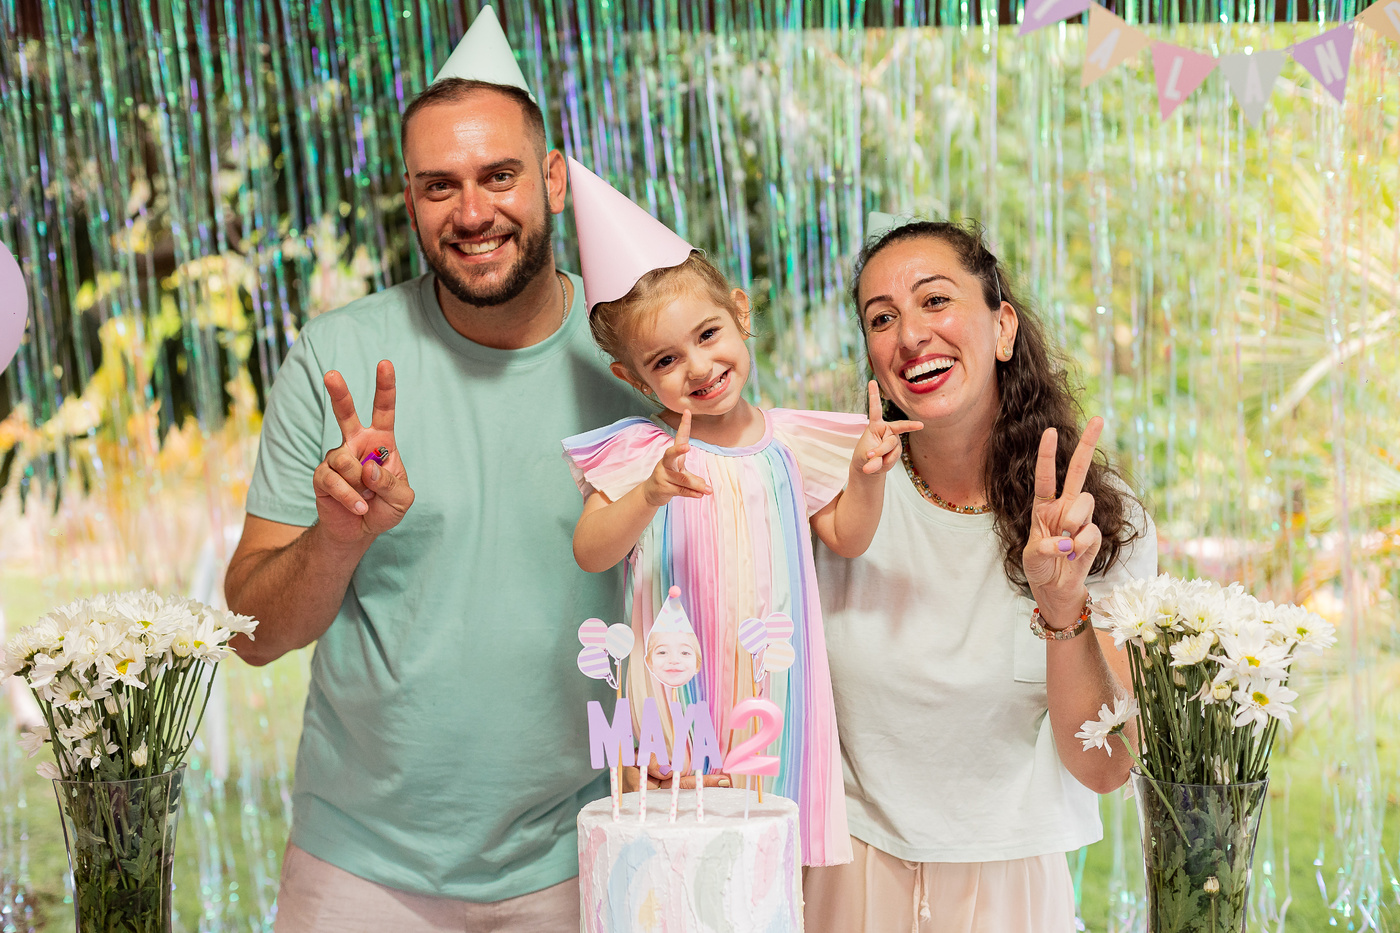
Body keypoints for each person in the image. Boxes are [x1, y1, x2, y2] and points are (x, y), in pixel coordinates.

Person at [221, 14, 639, 930]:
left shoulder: (643, 361)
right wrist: (337, 538)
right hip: (358, 867)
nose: (473, 212)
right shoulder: (337, 357)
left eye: (499, 176)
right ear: (409, 200)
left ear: (555, 180)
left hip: (584, 852)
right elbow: (250, 631)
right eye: (439, 185)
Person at [559, 161, 921, 867]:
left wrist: (866, 476)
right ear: (632, 378)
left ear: (741, 314)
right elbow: (590, 550)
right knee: (677, 871)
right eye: (666, 360)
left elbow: (847, 537)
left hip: (773, 705)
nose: (697, 367)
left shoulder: (791, 442)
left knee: (765, 877)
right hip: (677, 709)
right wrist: (650, 494)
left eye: (707, 335)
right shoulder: (642, 452)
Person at [804, 219, 1158, 932]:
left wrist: (1063, 606)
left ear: (1003, 329)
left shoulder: (1099, 521)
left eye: (936, 300)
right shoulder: (830, 498)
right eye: (881, 318)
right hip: (849, 879)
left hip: (1012, 892)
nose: (911, 335)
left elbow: (1106, 766)